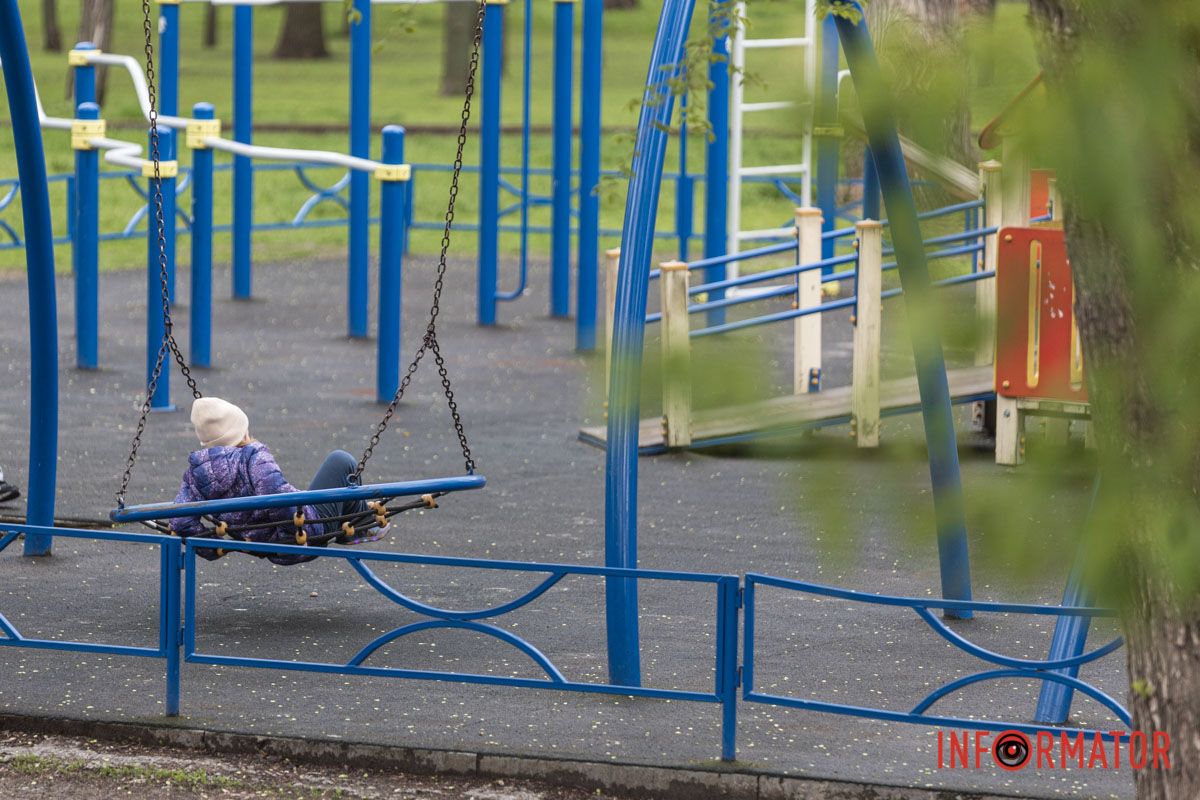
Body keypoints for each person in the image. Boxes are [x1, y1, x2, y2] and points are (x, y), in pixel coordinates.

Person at [169, 397, 385, 565]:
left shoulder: (195, 474)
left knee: (316, 491)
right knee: (341, 460)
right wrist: (291, 538)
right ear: (241, 431)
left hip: (261, 543)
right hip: (303, 535)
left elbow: (180, 520)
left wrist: (216, 548)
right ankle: (360, 525)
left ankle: (356, 519)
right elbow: (279, 502)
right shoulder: (253, 457)